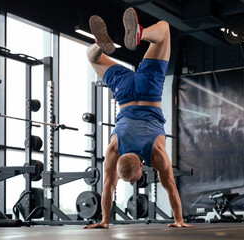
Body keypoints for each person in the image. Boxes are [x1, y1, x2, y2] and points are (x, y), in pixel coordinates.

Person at [84, 7, 194, 229]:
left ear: (138, 172)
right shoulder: (114, 149)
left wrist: (179, 220)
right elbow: (108, 185)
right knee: (92, 58)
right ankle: (99, 45)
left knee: (164, 29)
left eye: (132, 180)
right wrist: (104, 220)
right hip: (124, 93)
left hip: (149, 92)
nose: (134, 183)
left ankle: (139, 34)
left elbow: (171, 186)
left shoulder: (157, 154)